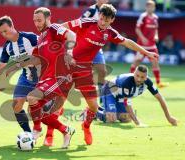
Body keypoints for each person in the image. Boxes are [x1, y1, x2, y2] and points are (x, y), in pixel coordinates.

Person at [62, 3, 158, 145]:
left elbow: (128, 43)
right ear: (98, 16)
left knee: (94, 107)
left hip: (85, 70)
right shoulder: (86, 22)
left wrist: (146, 52)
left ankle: (86, 127)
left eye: (107, 20)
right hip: (69, 65)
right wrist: (69, 49)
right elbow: (63, 27)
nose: (103, 22)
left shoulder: (110, 33)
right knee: (60, 99)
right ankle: (49, 135)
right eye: (101, 18)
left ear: (112, 20)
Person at [6, 7, 77, 149]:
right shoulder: (41, 38)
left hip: (60, 77)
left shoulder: (53, 28)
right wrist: (15, 66)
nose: (37, 23)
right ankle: (66, 131)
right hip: (47, 78)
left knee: (31, 98)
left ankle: (37, 130)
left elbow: (72, 35)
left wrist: (69, 51)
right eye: (34, 21)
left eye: (39, 20)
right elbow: (35, 58)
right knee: (41, 113)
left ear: (48, 18)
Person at [0, 15, 38, 135]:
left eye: (5, 30)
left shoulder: (30, 37)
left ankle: (46, 130)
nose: (4, 34)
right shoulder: (8, 47)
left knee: (36, 109)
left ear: (12, 26)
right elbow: (1, 64)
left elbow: (44, 52)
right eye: (1, 32)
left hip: (43, 75)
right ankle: (28, 134)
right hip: (26, 76)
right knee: (16, 105)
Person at [97, 65, 177, 126]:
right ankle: (94, 112)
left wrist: (168, 117)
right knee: (111, 119)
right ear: (134, 73)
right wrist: (138, 123)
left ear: (146, 78)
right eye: (137, 76)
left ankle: (105, 110)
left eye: (142, 77)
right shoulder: (127, 82)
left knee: (127, 119)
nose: (139, 79)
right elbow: (127, 103)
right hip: (109, 91)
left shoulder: (148, 83)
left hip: (120, 96)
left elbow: (160, 98)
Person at [130, 0, 168, 88]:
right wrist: (143, 38)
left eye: (152, 7)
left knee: (155, 62)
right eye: (149, 6)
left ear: (154, 7)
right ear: (146, 7)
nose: (151, 8)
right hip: (142, 46)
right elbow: (137, 29)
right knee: (137, 62)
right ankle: (130, 79)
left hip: (152, 46)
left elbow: (156, 29)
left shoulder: (155, 17)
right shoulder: (143, 16)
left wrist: (156, 36)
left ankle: (159, 83)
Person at [81, 0, 109, 104]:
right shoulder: (91, 10)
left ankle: (102, 98)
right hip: (85, 45)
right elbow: (81, 22)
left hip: (96, 47)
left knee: (102, 71)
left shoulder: (107, 11)